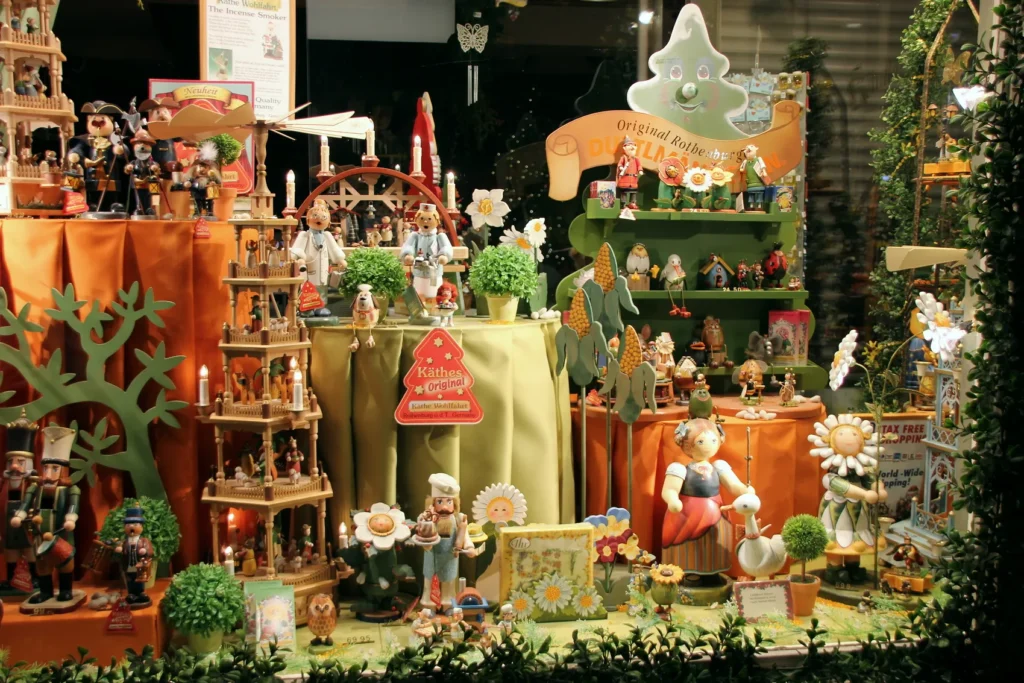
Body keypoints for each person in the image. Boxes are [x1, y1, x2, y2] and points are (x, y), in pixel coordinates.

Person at [661, 418, 751, 583]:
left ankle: (712, 573)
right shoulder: (679, 469)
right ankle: (690, 574)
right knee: (691, 546)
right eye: (701, 441)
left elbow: (733, 485)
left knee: (714, 543)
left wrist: (744, 490)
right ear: (687, 445)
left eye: (713, 440)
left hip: (716, 512)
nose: (709, 444)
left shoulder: (719, 466)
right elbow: (670, 489)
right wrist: (673, 500)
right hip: (688, 515)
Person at [9, 426, 81, 605]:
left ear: (63, 470)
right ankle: (45, 591)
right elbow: (25, 504)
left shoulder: (71, 489)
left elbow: (73, 506)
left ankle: (65, 590)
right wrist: (20, 515)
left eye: (54, 469)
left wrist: (71, 518)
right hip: (40, 534)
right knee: (42, 565)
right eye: (45, 468)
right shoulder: (35, 488)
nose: (48, 475)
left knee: (65, 563)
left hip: (61, 534)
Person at [415, 473, 478, 609]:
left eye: (448, 502)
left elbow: (465, 535)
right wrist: (426, 522)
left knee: (449, 583)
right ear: (433, 503)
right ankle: (429, 606)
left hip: (450, 557)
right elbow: (421, 531)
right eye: (440, 502)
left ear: (454, 503)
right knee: (429, 582)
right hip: (431, 557)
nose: (444, 507)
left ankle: (448, 605)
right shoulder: (427, 517)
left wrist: (469, 547)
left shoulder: (459, 518)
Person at [66, 101, 126, 213]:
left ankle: (113, 206)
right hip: (93, 177)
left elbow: (125, 153)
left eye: (102, 120)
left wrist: (120, 149)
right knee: (93, 194)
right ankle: (93, 206)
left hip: (110, 177)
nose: (98, 124)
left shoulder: (114, 139)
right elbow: (77, 150)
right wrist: (78, 157)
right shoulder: (86, 140)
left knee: (110, 194)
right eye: (94, 121)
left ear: (110, 120)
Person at [1, 412, 38, 591]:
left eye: (20, 462)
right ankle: (11, 580)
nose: (15, 466)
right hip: (8, 528)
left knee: (30, 552)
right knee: (11, 553)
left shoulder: (33, 485)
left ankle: (36, 578)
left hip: (27, 527)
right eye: (11, 462)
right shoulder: (3, 484)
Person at [291, 199, 347, 316]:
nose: (319, 219)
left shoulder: (327, 235)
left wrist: (340, 259)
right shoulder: (305, 235)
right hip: (309, 268)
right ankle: (307, 308)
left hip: (323, 268)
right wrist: (300, 258)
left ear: (329, 222)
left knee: (322, 287)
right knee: (307, 288)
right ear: (308, 219)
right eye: (315, 216)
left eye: (323, 217)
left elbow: (334, 249)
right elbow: (297, 249)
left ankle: (320, 307)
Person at [399, 204, 452, 315]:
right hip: (420, 271)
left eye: (429, 219)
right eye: (422, 218)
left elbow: (446, 247)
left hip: (434, 271)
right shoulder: (415, 236)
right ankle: (420, 311)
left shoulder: (440, 237)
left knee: (435, 292)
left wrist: (444, 255)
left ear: (436, 221)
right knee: (419, 292)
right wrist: (408, 254)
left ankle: (435, 311)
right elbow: (408, 245)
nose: (426, 222)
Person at [113, 507, 152, 607]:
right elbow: (120, 551)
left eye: (135, 525)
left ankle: (141, 593)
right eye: (128, 525)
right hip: (129, 565)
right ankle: (131, 594)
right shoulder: (125, 542)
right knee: (130, 580)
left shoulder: (143, 541)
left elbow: (149, 550)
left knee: (140, 579)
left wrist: (145, 551)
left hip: (140, 565)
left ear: (141, 527)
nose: (131, 527)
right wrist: (119, 550)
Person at [739, 144, 772, 212]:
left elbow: (762, 166)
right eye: (747, 152)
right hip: (750, 183)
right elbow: (742, 168)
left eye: (749, 151)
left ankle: (759, 206)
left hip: (758, 182)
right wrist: (741, 170)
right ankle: (751, 206)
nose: (748, 153)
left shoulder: (758, 159)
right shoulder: (746, 161)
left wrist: (764, 172)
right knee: (751, 195)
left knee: (759, 195)